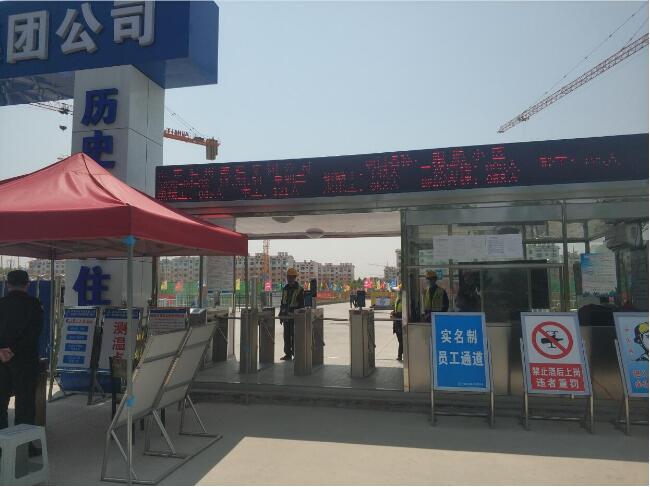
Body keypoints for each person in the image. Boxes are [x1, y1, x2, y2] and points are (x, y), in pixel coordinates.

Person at [0, 270, 43, 454]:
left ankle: (2, 446)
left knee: (0, 402)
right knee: (25, 404)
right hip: (25, 361)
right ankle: (24, 448)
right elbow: (34, 332)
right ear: (28, 284)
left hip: (1, 360)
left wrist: (3, 350)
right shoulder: (34, 305)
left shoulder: (1, 304)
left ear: (7, 285)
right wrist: (14, 350)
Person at [279, 268, 305, 361]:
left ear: (294, 277)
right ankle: (288, 354)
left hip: (294, 317)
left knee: (294, 336)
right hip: (286, 316)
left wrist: (295, 313)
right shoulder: (285, 288)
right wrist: (281, 314)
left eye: (291, 277)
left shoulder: (300, 289)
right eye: (288, 277)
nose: (289, 279)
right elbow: (282, 302)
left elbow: (301, 305)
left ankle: (296, 354)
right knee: (286, 336)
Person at [391, 286, 403, 361]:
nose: (396, 293)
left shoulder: (403, 300)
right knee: (400, 340)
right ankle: (400, 355)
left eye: (398, 291)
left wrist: (395, 314)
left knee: (401, 341)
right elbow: (397, 310)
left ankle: (400, 356)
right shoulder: (398, 299)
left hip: (400, 323)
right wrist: (393, 312)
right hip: (397, 323)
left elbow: (403, 313)